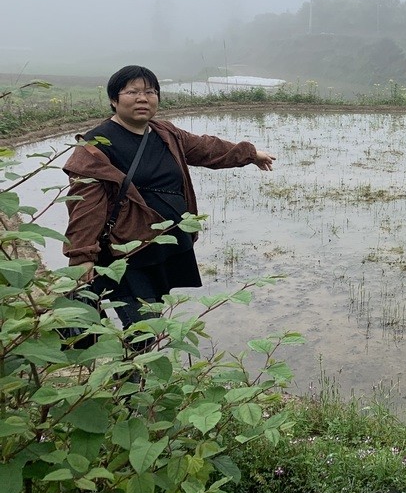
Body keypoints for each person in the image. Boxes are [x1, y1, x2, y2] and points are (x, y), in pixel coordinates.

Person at [62, 65, 276, 335]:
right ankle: (128, 375)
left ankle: (131, 372)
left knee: (151, 322)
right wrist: (81, 256)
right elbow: (85, 206)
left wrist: (250, 154)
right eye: (133, 92)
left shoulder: (165, 133)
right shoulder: (96, 147)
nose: (143, 98)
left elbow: (206, 148)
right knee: (144, 330)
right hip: (126, 254)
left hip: (163, 248)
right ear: (114, 100)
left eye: (150, 91)